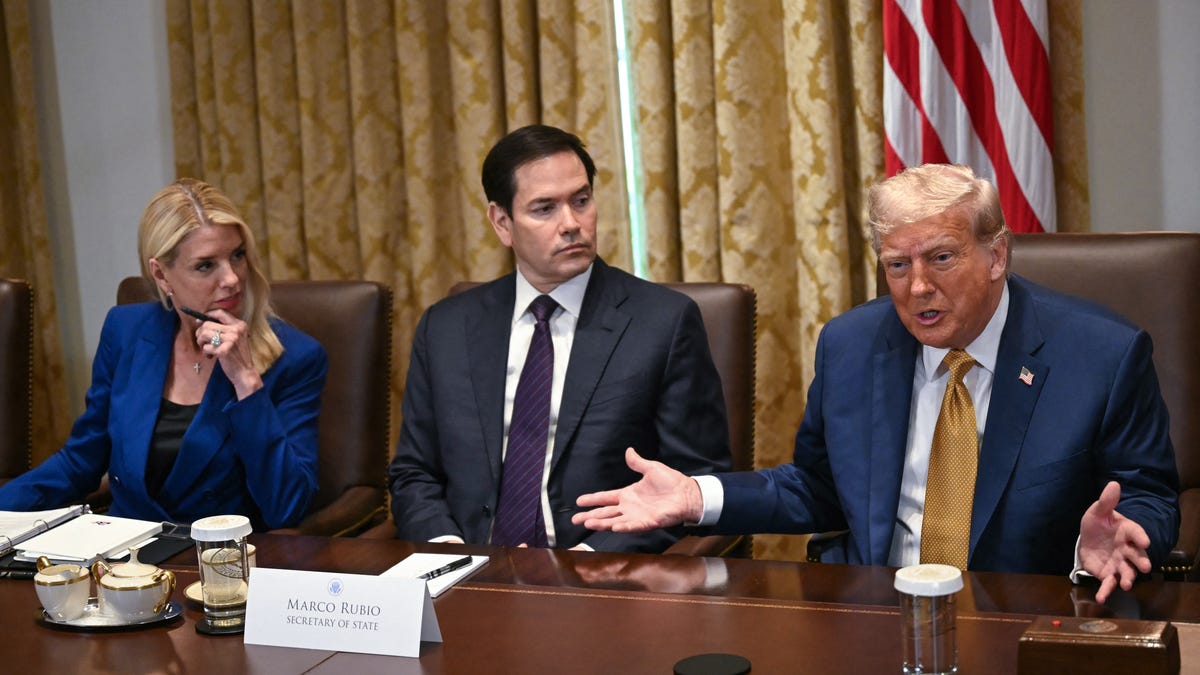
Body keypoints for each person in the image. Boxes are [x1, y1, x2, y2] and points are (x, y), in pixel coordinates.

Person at [574, 164, 1180, 602]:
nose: (917, 287)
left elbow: (1148, 495)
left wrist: (1120, 539)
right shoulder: (852, 345)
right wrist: (696, 498)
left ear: (996, 256)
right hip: (876, 615)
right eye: (897, 265)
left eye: (941, 257)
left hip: (1024, 619)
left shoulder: (1101, 354)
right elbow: (818, 487)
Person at [386, 124, 732, 552]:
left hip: (600, 571)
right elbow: (414, 473)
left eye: (581, 201)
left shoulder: (663, 323)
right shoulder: (446, 328)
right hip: (468, 566)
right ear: (502, 222)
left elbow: (695, 480)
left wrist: (585, 564)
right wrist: (451, 554)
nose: (571, 224)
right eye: (545, 208)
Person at [0, 179, 327, 529]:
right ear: (161, 274)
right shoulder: (126, 330)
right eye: (206, 265)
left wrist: (246, 381)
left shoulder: (296, 357)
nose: (232, 278)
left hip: (221, 555)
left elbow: (287, 507)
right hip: (126, 550)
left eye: (237, 255)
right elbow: (81, 461)